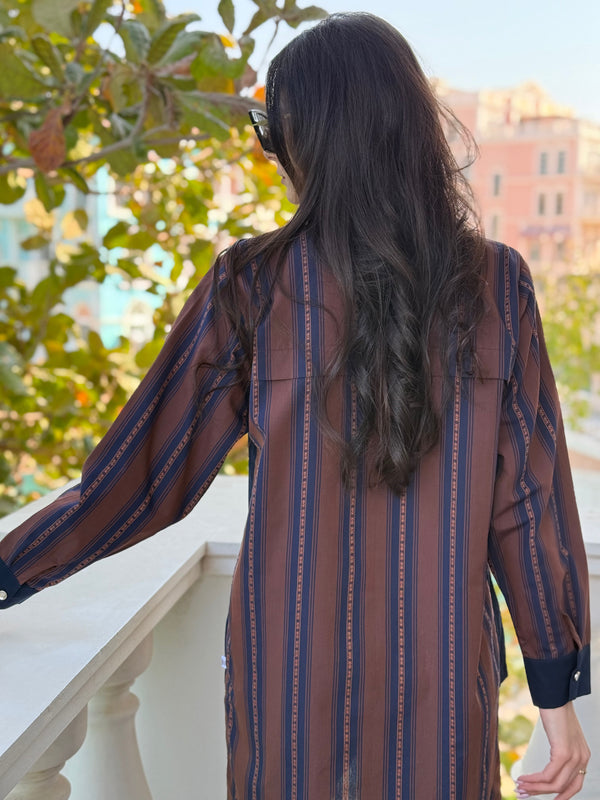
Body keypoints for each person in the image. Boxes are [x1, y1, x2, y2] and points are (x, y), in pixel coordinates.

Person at [0, 12, 591, 800]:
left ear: (308, 144)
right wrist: (557, 696)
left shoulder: (251, 286)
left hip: (289, 674)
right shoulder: (496, 286)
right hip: (445, 684)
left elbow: (141, 479)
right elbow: (528, 506)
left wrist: (13, 564)